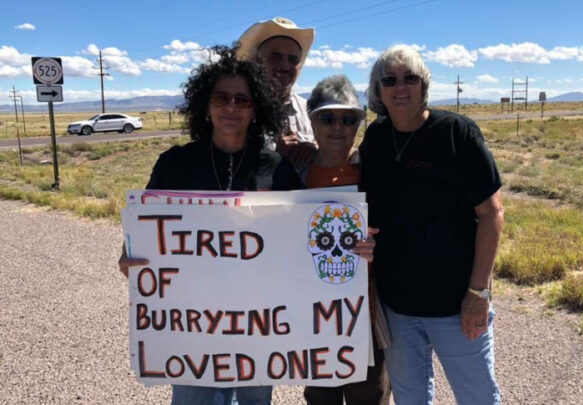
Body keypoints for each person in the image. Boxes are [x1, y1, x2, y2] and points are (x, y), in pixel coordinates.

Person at [118, 45, 303, 405]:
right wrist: (129, 257)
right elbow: (144, 230)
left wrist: (349, 248)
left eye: (242, 100)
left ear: (256, 109)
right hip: (193, 325)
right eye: (221, 97)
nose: (231, 107)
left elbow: (304, 239)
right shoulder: (176, 163)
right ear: (206, 105)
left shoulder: (276, 168)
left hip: (258, 324)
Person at [360, 45, 504, 405]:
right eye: (389, 80)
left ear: (424, 85)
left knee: (477, 397)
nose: (400, 87)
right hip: (398, 306)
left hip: (455, 304)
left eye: (410, 78)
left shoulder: (457, 133)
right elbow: (371, 213)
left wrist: (478, 294)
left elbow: (491, 213)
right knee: (410, 399)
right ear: (377, 91)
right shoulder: (375, 139)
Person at [300, 74, 391, 405]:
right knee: (320, 397)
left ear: (358, 124)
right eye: (327, 117)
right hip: (310, 315)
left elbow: (396, 229)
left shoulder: (375, 172)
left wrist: (377, 246)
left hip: (363, 313)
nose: (338, 126)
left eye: (348, 118)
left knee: (369, 395)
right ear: (311, 120)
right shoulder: (293, 172)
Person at [236, 17, 316, 172]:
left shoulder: (309, 110)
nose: (285, 66)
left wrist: (318, 151)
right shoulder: (237, 110)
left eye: (293, 59)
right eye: (275, 57)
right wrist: (273, 158)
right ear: (257, 61)